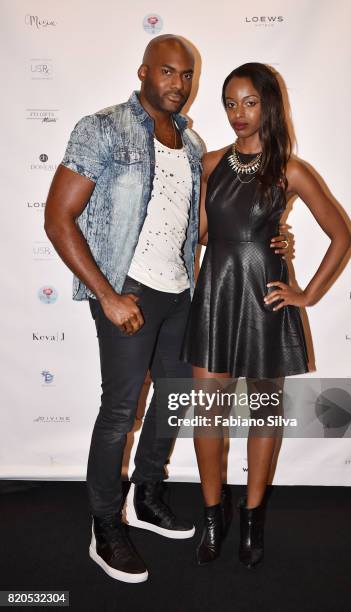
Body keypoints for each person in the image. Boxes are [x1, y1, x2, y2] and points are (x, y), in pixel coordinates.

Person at [44, 38, 290, 583]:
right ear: (143, 72)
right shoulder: (103, 127)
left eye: (187, 74)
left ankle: (148, 495)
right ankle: (105, 525)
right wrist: (106, 295)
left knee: (175, 402)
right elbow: (58, 217)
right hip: (128, 290)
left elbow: (215, 223)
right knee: (120, 413)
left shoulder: (193, 141)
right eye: (167, 72)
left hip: (183, 292)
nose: (178, 83)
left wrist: (272, 240)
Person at [180, 62, 351, 568]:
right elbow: (204, 236)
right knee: (208, 415)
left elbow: (342, 235)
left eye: (249, 102)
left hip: (265, 303)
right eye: (230, 103)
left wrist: (307, 294)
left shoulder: (290, 170)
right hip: (215, 297)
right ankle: (215, 515)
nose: (238, 113)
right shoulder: (210, 163)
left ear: (269, 105)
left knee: (261, 414)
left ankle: (253, 519)